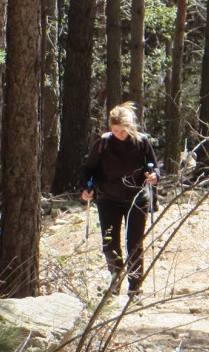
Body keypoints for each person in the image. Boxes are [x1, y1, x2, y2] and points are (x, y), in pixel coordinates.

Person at [81, 102, 159, 297]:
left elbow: (155, 167)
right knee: (110, 243)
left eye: (123, 131)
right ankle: (115, 284)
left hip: (137, 199)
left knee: (135, 244)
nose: (119, 135)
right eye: (115, 130)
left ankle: (135, 288)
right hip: (108, 198)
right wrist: (85, 188)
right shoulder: (104, 143)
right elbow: (88, 168)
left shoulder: (141, 142)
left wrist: (154, 176)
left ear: (130, 127)